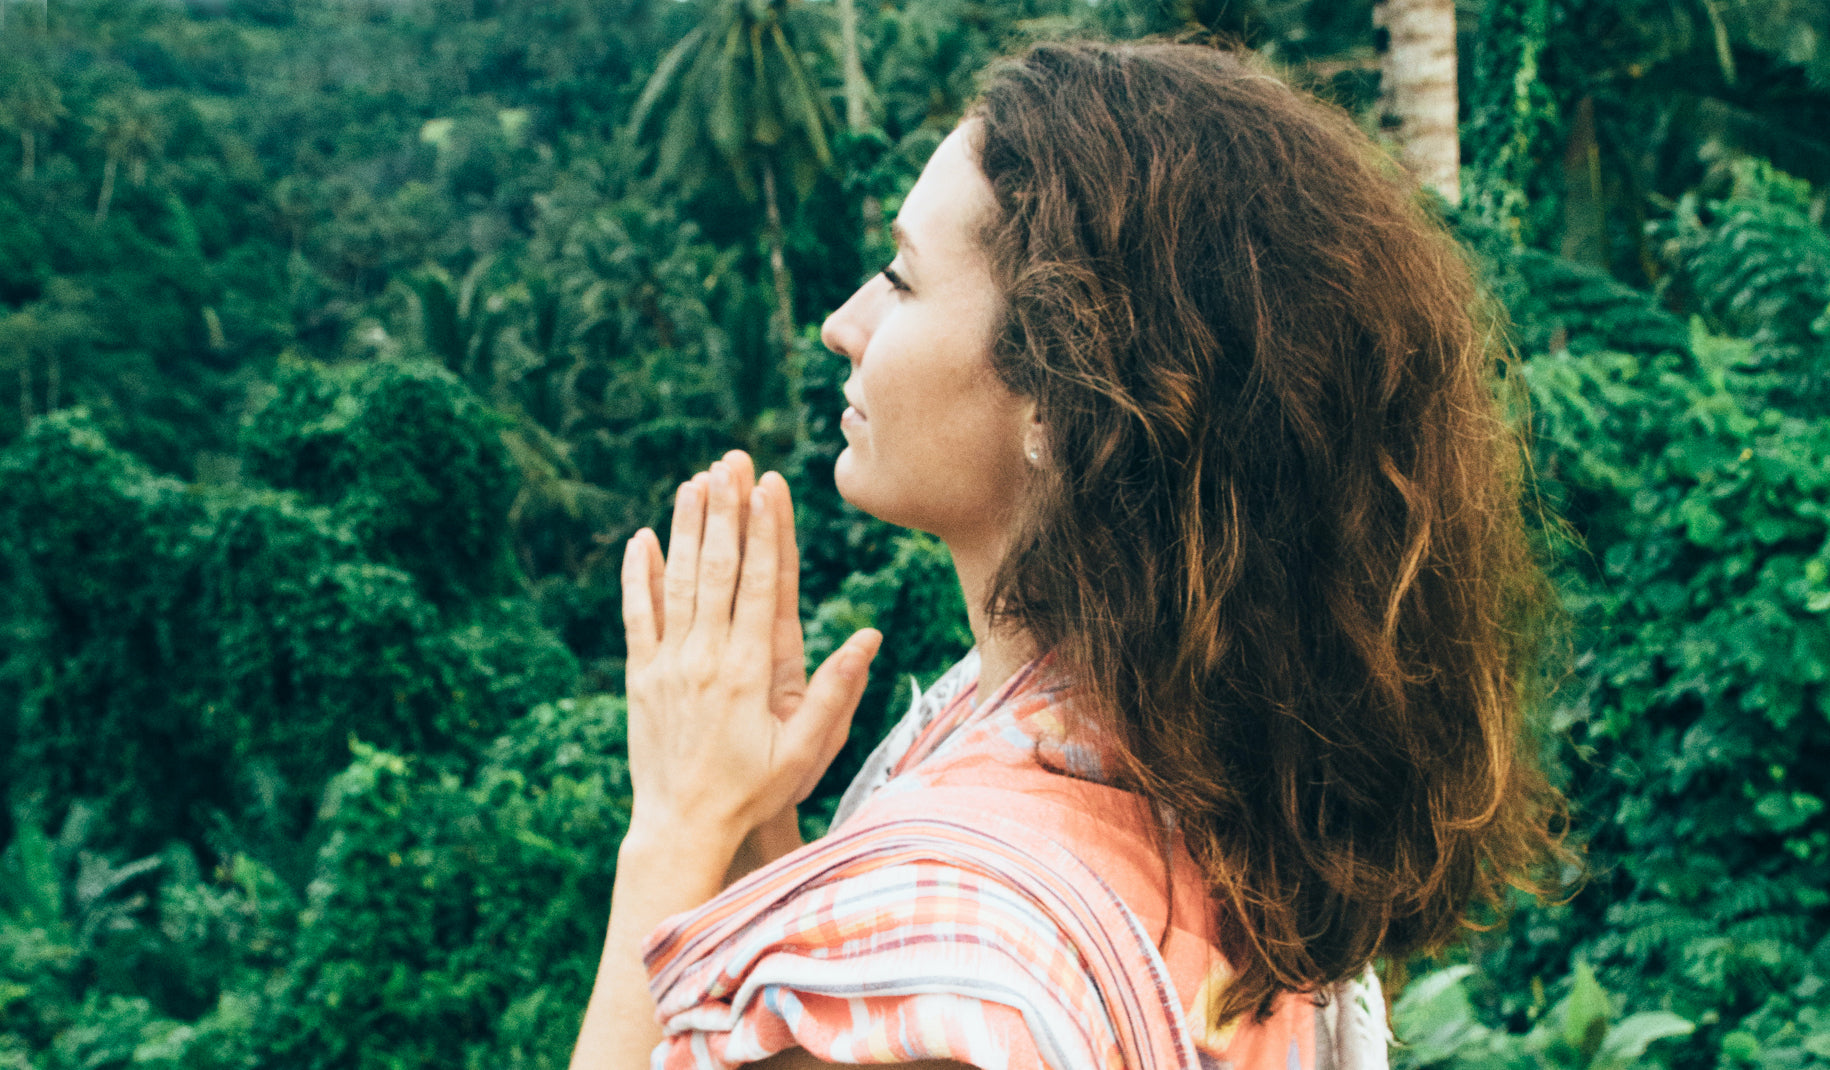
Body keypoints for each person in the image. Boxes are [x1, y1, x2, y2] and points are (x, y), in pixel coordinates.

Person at [570, 37, 1574, 1070]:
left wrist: (676, 828)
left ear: (1060, 394)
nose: (842, 324)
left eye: (901, 280)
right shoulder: (1212, 770)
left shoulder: (960, 973)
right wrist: (755, 827)